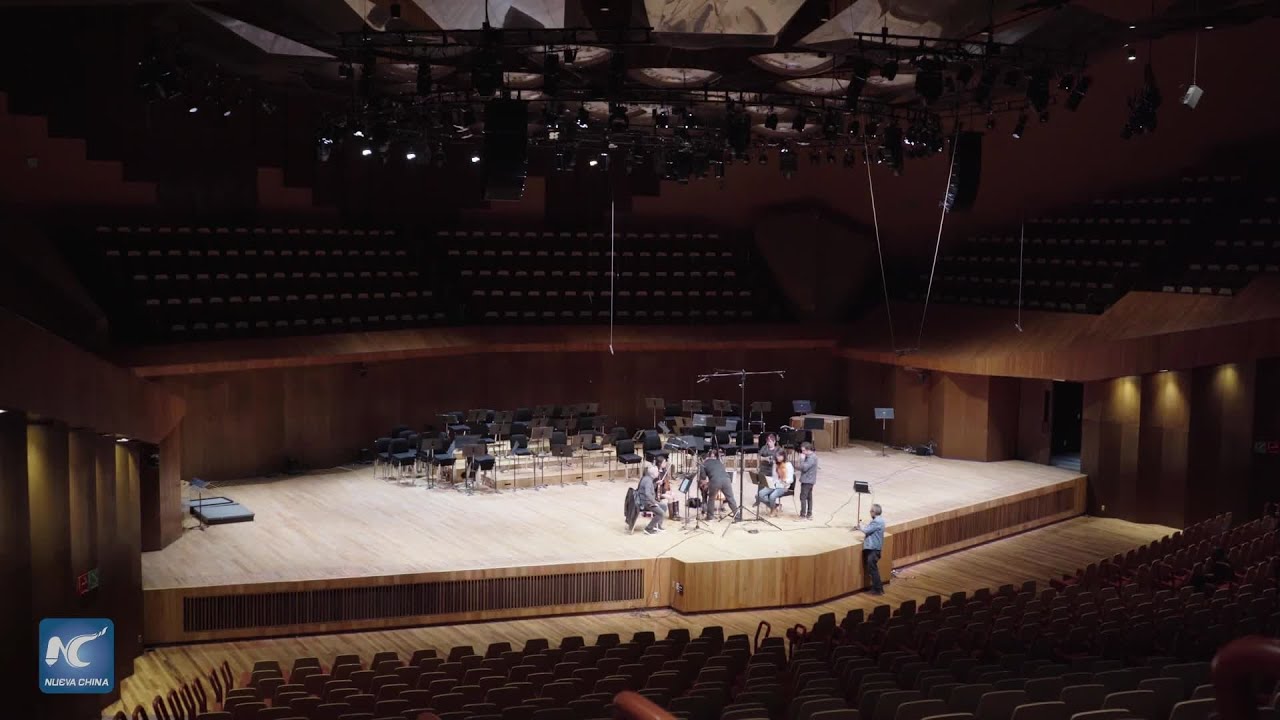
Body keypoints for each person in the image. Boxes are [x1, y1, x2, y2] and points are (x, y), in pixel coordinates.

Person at [699, 448, 739, 521]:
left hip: (715, 481)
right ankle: (737, 516)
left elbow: (703, 480)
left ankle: (710, 517)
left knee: (711, 498)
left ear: (703, 459)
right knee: (730, 498)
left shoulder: (703, 464)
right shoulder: (719, 462)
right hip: (727, 479)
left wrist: (705, 486)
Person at [854, 503, 885, 595]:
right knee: (872, 569)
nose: (870, 512)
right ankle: (878, 589)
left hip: (873, 549)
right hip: (875, 548)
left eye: (871, 511)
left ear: (874, 512)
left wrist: (860, 526)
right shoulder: (879, 520)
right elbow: (870, 529)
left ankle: (878, 589)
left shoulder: (877, 521)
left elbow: (867, 530)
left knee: (873, 570)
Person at [633, 463, 665, 535]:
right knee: (660, 513)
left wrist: (656, 484)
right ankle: (649, 528)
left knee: (664, 506)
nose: (658, 472)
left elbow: (650, 489)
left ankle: (658, 525)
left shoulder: (647, 478)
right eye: (657, 472)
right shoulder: (648, 481)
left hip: (646, 500)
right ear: (653, 474)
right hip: (646, 503)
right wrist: (654, 503)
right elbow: (647, 494)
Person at [756, 450, 790, 514]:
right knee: (759, 494)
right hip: (774, 485)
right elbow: (774, 477)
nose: (778, 458)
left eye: (780, 456)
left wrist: (786, 485)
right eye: (777, 456)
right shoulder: (775, 465)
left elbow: (788, 479)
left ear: (784, 457)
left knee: (772, 496)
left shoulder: (787, 465)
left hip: (782, 486)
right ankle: (774, 506)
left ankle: (772, 509)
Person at [796, 442, 818, 520]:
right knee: (809, 497)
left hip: (807, 481)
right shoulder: (810, 456)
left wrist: (801, 459)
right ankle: (809, 514)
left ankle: (803, 515)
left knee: (803, 498)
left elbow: (804, 468)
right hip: (809, 480)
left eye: (803, 450)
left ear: (808, 450)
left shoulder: (811, 458)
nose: (802, 452)